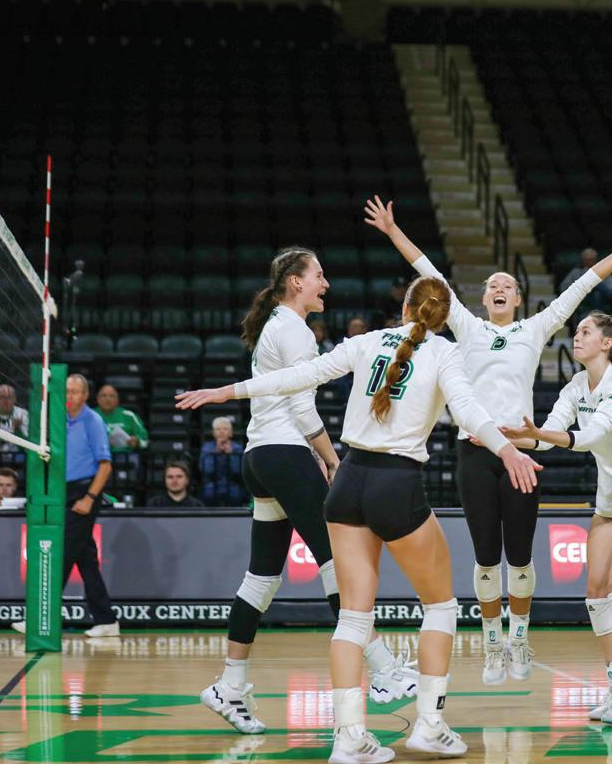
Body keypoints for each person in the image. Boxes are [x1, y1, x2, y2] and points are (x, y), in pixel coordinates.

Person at [175, 274, 542, 762]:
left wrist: (229, 391)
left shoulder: (367, 341)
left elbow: (295, 378)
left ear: (405, 307)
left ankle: (349, 738)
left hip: (348, 482)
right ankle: (429, 726)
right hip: (396, 483)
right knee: (440, 607)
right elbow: (470, 411)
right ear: (442, 317)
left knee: (352, 617)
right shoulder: (444, 352)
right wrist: (508, 450)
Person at [365, 195, 612, 685]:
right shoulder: (467, 326)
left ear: (519, 299)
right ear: (483, 299)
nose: (500, 288)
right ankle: (492, 645)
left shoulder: (534, 328)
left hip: (521, 455)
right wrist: (393, 231)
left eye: (507, 285)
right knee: (486, 557)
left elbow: (583, 285)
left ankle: (520, 637)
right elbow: (428, 270)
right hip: (474, 452)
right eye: (492, 286)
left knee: (521, 556)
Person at [190, 247, 415, 735]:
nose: (325, 283)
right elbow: (301, 409)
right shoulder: (294, 329)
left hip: (260, 458)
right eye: (318, 275)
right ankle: (382, 669)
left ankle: (229, 686)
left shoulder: (276, 325)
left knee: (263, 577)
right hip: (285, 454)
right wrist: (332, 459)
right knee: (337, 562)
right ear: (295, 282)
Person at [501, 312, 612, 726]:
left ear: (607, 343)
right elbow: (548, 436)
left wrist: (537, 434)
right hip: (610, 501)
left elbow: (590, 436)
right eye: (576, 331)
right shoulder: (577, 385)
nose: (575, 337)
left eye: (585, 332)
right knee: (595, 594)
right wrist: (506, 438)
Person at [12, 374, 119, 637]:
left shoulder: (92, 420)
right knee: (86, 560)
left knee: (59, 556)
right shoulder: (58, 420)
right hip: (63, 491)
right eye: (67, 391)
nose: (69, 396)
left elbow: (105, 466)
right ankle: (106, 620)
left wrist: (89, 498)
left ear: (85, 395)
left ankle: (39, 617)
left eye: (75, 391)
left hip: (84, 492)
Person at [199, 417, 247, 506]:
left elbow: (238, 471)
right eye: (218, 429)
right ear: (213, 433)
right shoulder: (207, 448)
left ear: (230, 433)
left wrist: (231, 455)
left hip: (233, 485)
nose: (221, 431)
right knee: (208, 494)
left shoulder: (237, 448)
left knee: (236, 495)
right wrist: (216, 452)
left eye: (225, 429)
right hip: (211, 485)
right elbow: (207, 470)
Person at [94, 384, 149, 455]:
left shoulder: (129, 415)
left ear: (117, 400)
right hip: (97, 456)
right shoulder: (88, 416)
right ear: (98, 399)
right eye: (104, 396)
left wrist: (137, 441)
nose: (108, 399)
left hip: (125, 456)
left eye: (111, 396)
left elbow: (145, 442)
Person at [560, 247, 612, 314]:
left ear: (596, 259)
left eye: (592, 259)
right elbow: (563, 287)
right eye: (587, 260)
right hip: (581, 305)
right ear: (583, 260)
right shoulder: (576, 272)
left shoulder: (605, 270)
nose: (590, 262)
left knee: (597, 292)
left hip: (602, 306)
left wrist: (599, 284)